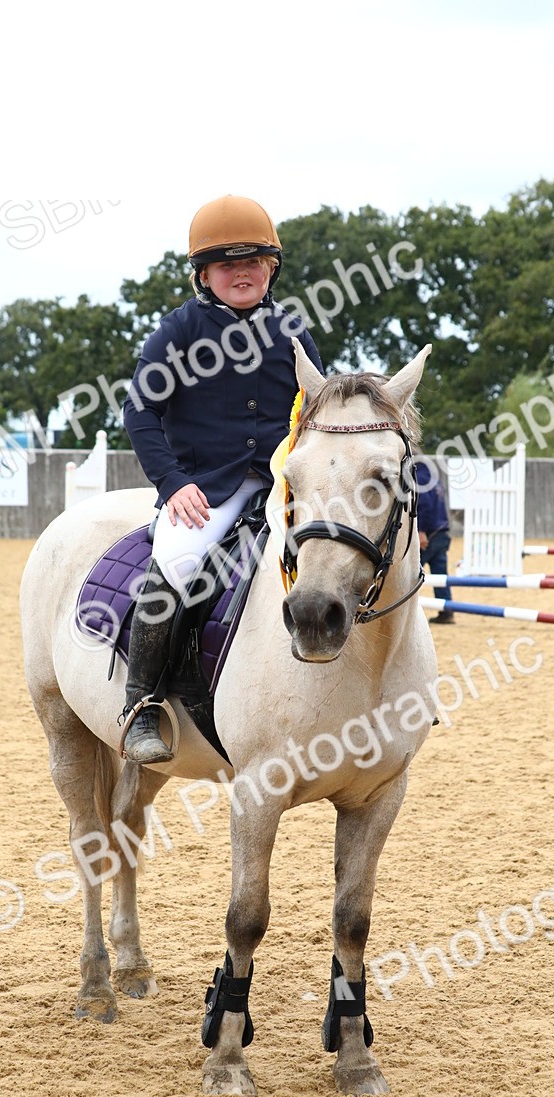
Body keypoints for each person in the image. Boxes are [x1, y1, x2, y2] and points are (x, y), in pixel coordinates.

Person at [121, 195, 324, 764]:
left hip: (280, 484)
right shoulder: (180, 329)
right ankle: (142, 706)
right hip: (205, 492)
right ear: (204, 275)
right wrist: (171, 483)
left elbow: (317, 407)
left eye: (255, 260)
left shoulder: (293, 330)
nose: (243, 272)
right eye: (228, 264)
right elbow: (139, 411)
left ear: (272, 267)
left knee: (339, 553)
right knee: (179, 564)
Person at [415, 457, 455, 624]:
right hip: (441, 532)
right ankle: (446, 611)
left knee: (412, 575)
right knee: (440, 575)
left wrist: (421, 530)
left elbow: (424, 505)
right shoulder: (432, 479)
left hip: (428, 535)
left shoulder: (420, 479)